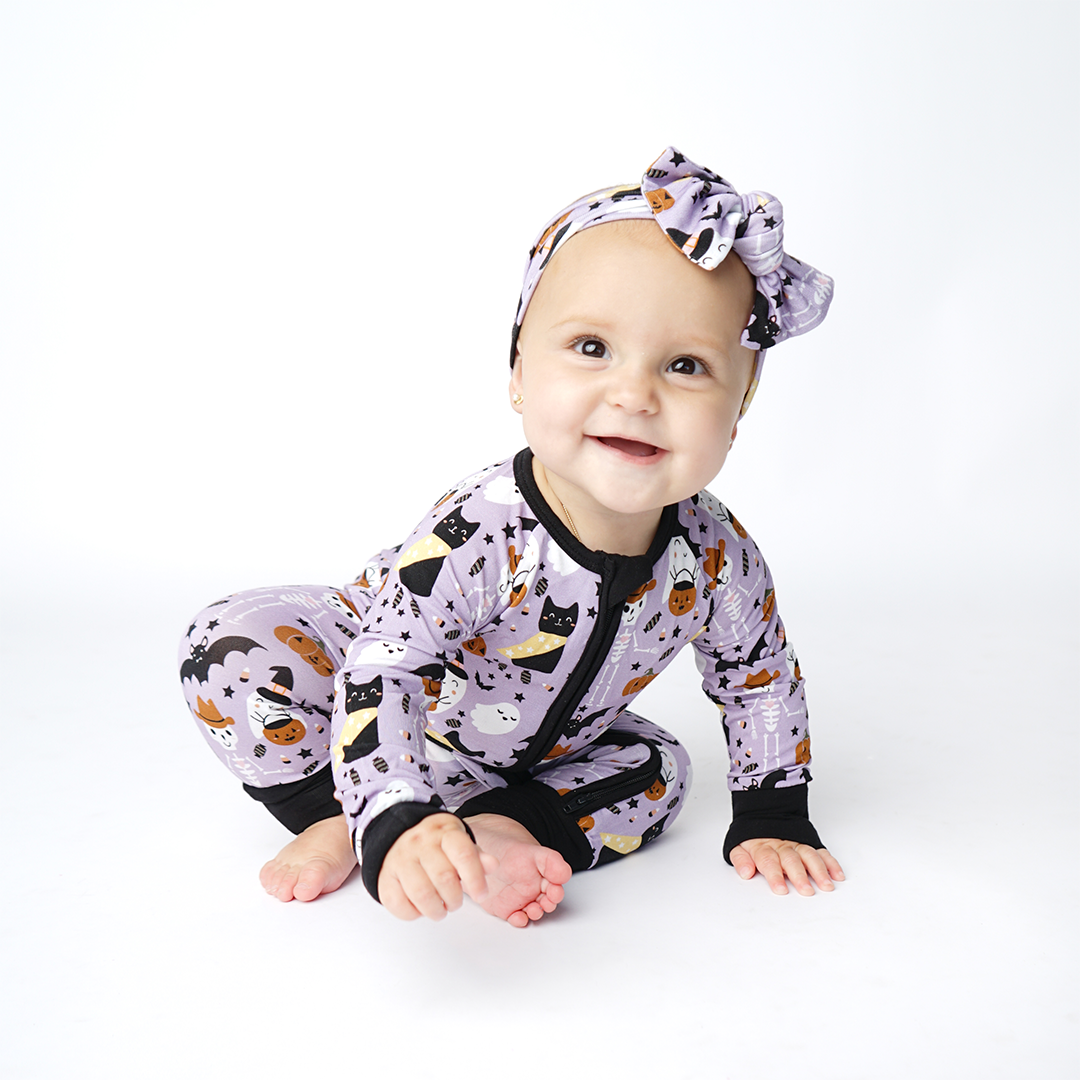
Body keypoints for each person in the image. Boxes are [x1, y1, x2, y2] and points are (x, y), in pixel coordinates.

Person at [178, 147, 845, 928]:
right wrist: (392, 813)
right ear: (520, 373)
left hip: (541, 751)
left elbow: (757, 676)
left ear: (736, 415)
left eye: (687, 365)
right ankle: (342, 816)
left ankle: (498, 827)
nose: (634, 394)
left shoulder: (716, 556)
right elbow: (386, 666)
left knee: (660, 771)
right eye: (592, 348)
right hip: (383, 698)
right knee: (229, 642)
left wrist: (772, 812)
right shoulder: (484, 530)